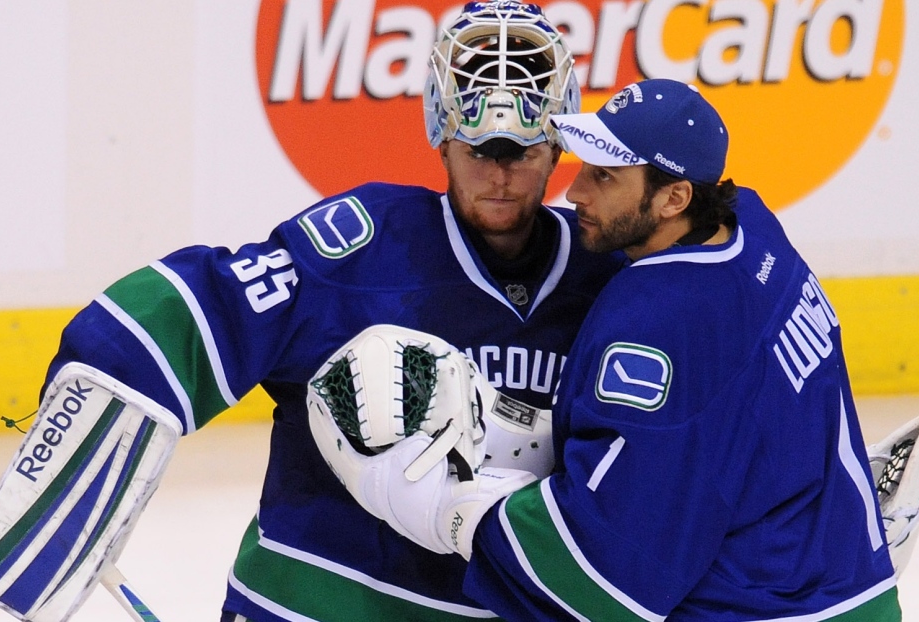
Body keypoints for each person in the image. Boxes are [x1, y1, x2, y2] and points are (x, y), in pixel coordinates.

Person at [35, 3, 623, 621]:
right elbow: (207, 306)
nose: (500, 176)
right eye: (480, 149)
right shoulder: (367, 245)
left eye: (521, 151)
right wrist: (83, 403)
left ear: (557, 147)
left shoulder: (607, 278)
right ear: (442, 136)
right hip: (314, 602)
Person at [314, 79, 905, 621]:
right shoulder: (751, 227)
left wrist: (448, 509)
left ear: (674, 199)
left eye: (605, 178)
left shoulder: (656, 321)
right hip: (851, 584)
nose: (573, 192)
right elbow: (730, 413)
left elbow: (608, 580)